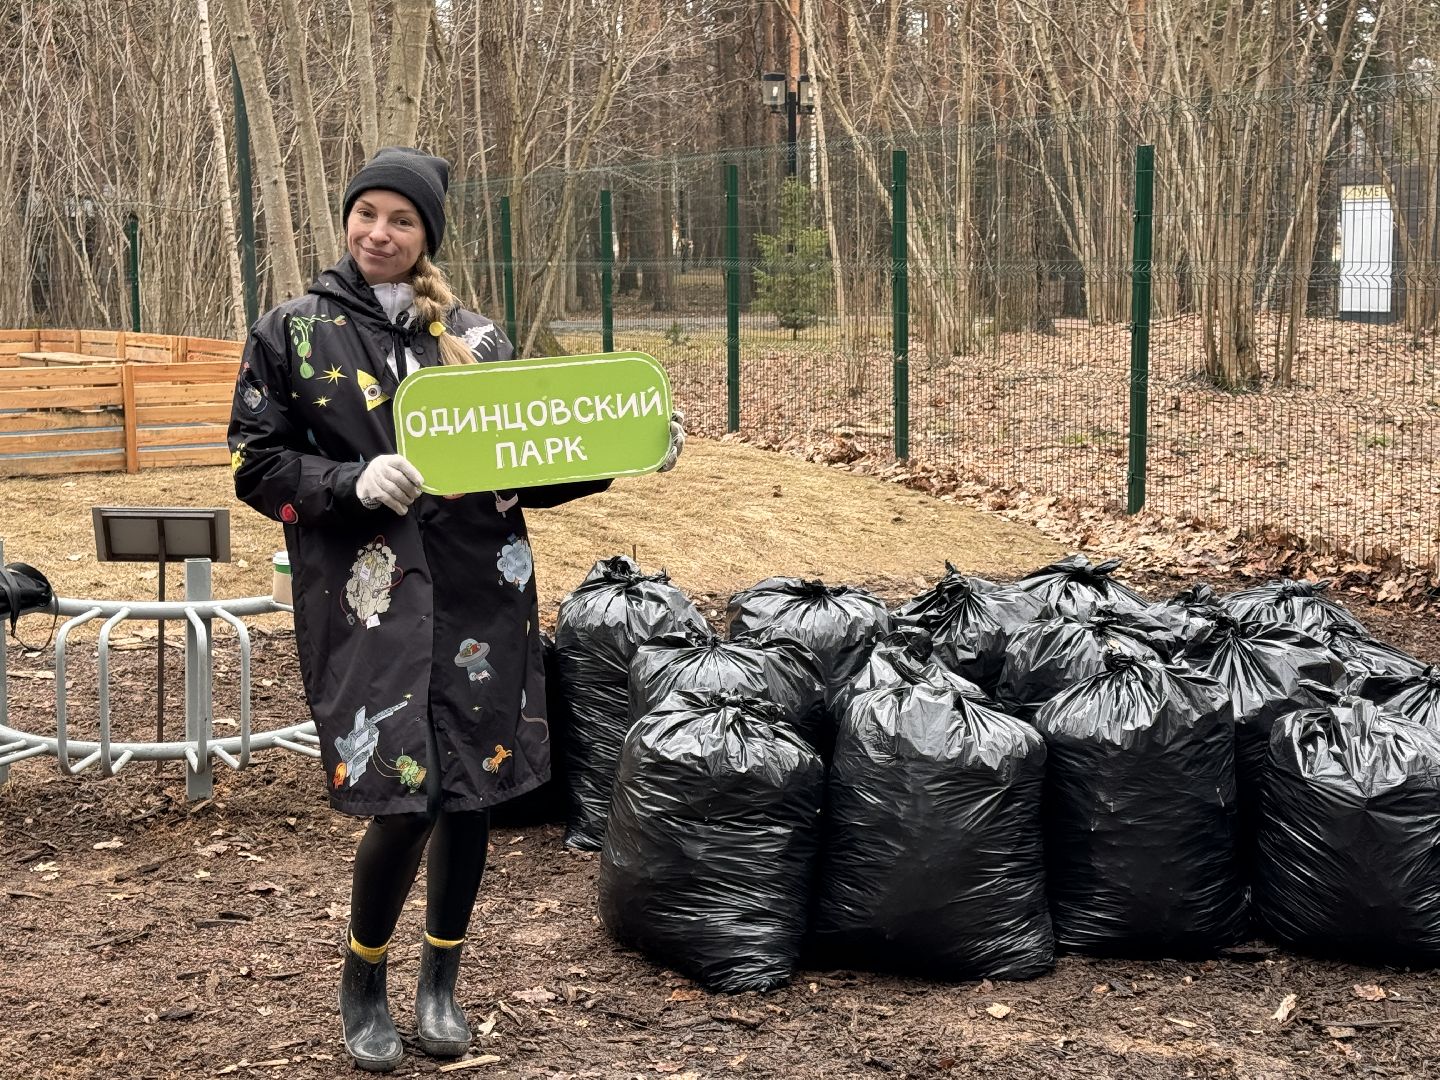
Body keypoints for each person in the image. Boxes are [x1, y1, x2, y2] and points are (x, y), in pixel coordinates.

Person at [228, 147, 683, 1071]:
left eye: (401, 220)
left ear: (428, 233)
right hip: (370, 599)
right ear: (348, 221)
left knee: (474, 788)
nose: (379, 234)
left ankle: (442, 983)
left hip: (482, 589)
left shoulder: (476, 339)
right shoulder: (295, 331)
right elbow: (255, 465)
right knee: (403, 796)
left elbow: (533, 462)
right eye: (367, 216)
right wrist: (354, 480)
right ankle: (365, 978)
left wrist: (630, 449)